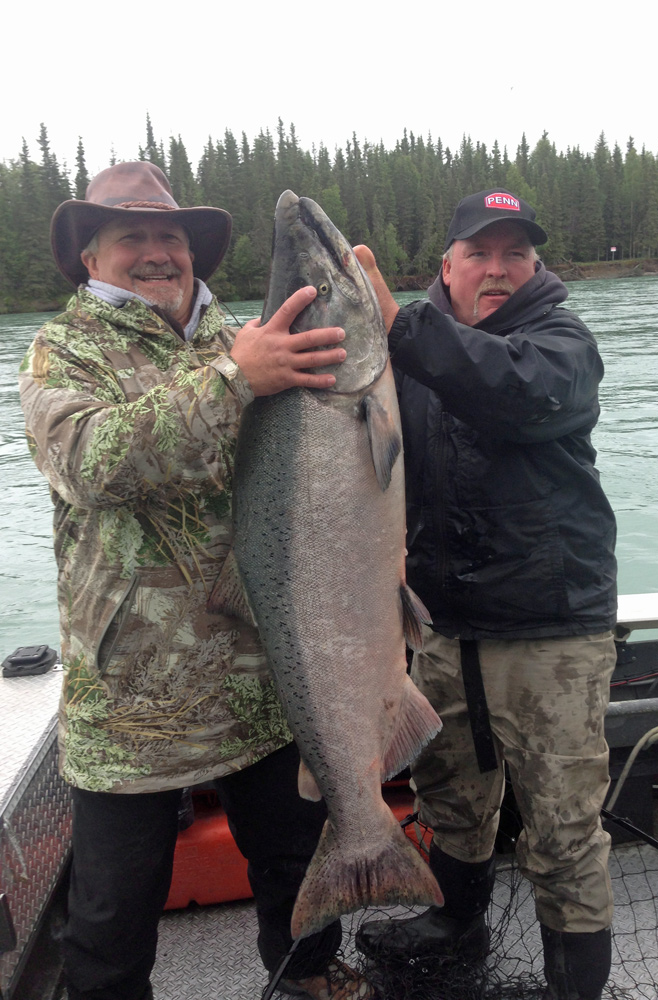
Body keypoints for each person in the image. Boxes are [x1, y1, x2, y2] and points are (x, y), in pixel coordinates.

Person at [19, 161, 375, 1000]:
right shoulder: (60, 350)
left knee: (295, 867)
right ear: (90, 256)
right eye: (131, 236)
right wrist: (234, 382)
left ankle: (310, 982)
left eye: (169, 237)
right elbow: (93, 463)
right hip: (130, 699)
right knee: (110, 918)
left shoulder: (245, 333)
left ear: (192, 251)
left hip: (267, 670)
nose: (155, 253)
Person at [352, 189, 618, 1000]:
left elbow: (508, 390)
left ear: (536, 266)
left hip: (549, 632)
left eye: (516, 254)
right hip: (443, 629)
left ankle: (573, 986)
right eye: (480, 252)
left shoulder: (561, 344)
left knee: (563, 828)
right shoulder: (406, 350)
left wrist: (403, 328)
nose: (497, 269)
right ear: (448, 266)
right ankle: (454, 924)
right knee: (450, 799)